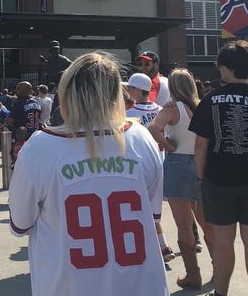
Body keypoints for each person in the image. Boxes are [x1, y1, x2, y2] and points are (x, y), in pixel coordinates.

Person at [9, 52, 168, 296]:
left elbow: (20, 224)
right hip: (141, 286)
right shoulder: (140, 138)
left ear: (67, 93)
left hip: (68, 286)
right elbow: (153, 213)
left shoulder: (39, 147)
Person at [189, 40, 248, 296]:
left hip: (218, 180)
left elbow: (200, 145)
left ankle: (221, 292)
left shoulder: (210, 99)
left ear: (225, 68)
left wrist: (201, 177)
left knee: (223, 243)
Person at [148, 68, 215, 290]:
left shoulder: (172, 108)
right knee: (206, 222)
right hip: (200, 163)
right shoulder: (202, 106)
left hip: (177, 164)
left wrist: (167, 145)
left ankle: (192, 275)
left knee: (183, 224)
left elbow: (153, 128)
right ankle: (219, 266)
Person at [124, 72, 172, 262]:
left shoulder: (129, 114)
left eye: (130, 87)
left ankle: (154, 247)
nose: (128, 90)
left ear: (136, 90)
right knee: (153, 210)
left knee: (142, 210)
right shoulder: (162, 109)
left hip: (140, 165)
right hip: (161, 161)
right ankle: (163, 246)